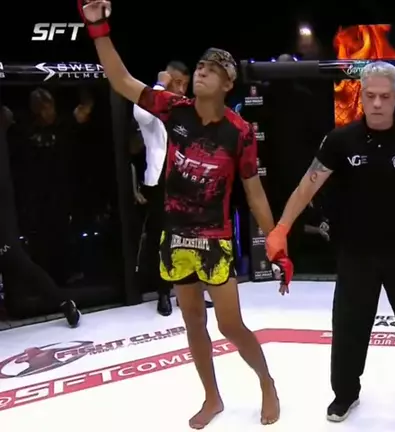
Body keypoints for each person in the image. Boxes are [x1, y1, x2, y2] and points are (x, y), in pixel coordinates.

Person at [78, 1, 292, 428]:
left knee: (230, 324)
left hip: (214, 237)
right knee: (193, 321)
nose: (201, 73)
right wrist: (98, 28)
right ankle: (212, 397)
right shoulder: (173, 108)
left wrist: (277, 244)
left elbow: (254, 193)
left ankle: (267, 382)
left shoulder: (239, 132)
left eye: (212, 70)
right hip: (174, 234)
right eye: (200, 67)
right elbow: (121, 80)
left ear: (228, 83)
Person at [265, 61, 395, 427]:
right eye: (370, 95)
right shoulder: (341, 140)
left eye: (385, 97)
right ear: (360, 95)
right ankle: (345, 394)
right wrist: (281, 228)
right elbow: (307, 186)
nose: (377, 103)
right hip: (355, 252)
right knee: (349, 328)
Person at [0, 93, 81, 327]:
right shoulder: (24, 132)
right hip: (31, 198)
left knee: (15, 258)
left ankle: (64, 301)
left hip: (41, 199)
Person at [133, 61, 191, 316]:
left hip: (185, 182)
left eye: (185, 84)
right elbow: (141, 115)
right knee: (161, 239)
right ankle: (163, 292)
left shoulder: (186, 108)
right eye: (177, 83)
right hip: (160, 183)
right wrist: (160, 85)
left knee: (188, 238)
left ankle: (187, 292)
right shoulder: (151, 102)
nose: (181, 89)